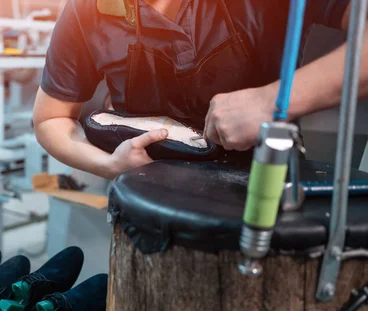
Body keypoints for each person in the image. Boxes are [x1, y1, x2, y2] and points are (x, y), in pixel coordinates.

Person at [33, 0, 360, 179]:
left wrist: (272, 101)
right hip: (147, 196)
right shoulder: (88, 9)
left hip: (264, 189)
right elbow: (50, 120)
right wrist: (108, 166)